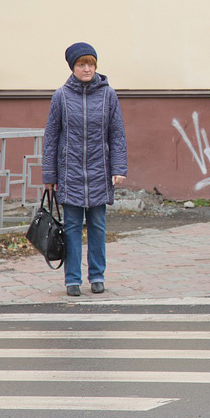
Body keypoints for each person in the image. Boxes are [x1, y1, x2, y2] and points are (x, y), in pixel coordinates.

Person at [42, 42, 127, 297]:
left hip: (99, 171)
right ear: (73, 67)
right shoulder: (61, 96)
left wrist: (119, 167)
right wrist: (49, 174)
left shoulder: (108, 95)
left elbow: (118, 134)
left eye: (90, 64)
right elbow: (51, 137)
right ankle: (72, 279)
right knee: (71, 227)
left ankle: (97, 276)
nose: (87, 68)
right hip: (70, 172)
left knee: (98, 226)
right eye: (81, 64)